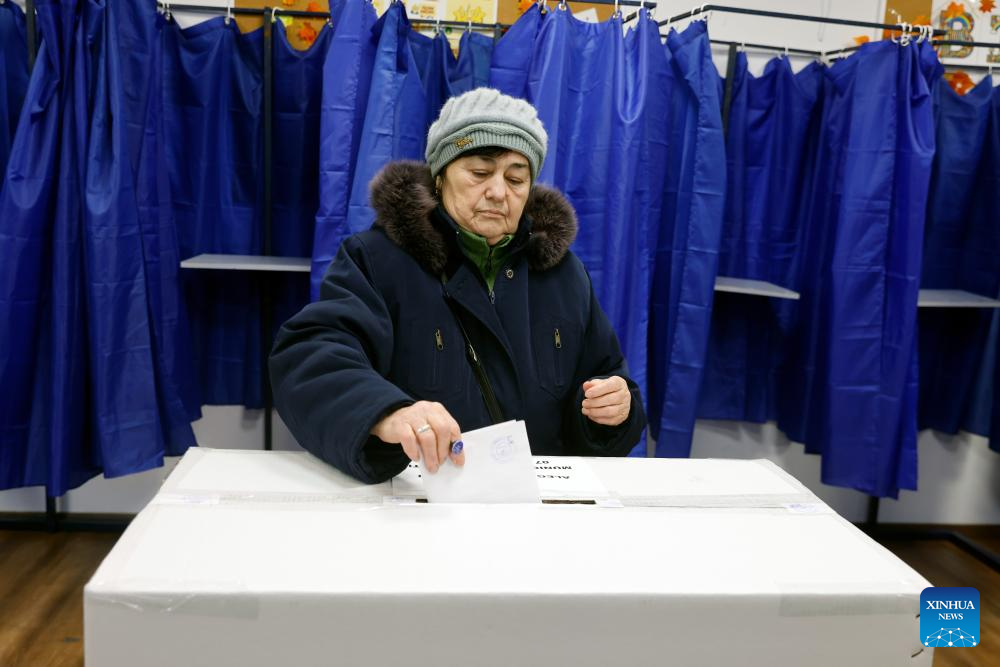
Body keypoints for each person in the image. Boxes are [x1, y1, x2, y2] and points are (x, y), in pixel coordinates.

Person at [270, 88, 646, 484]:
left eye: (516, 179)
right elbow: (311, 359)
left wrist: (615, 409)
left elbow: (605, 374)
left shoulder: (564, 274)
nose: (498, 192)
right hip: (422, 500)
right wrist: (385, 412)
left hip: (540, 505)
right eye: (480, 173)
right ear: (439, 178)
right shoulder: (377, 261)